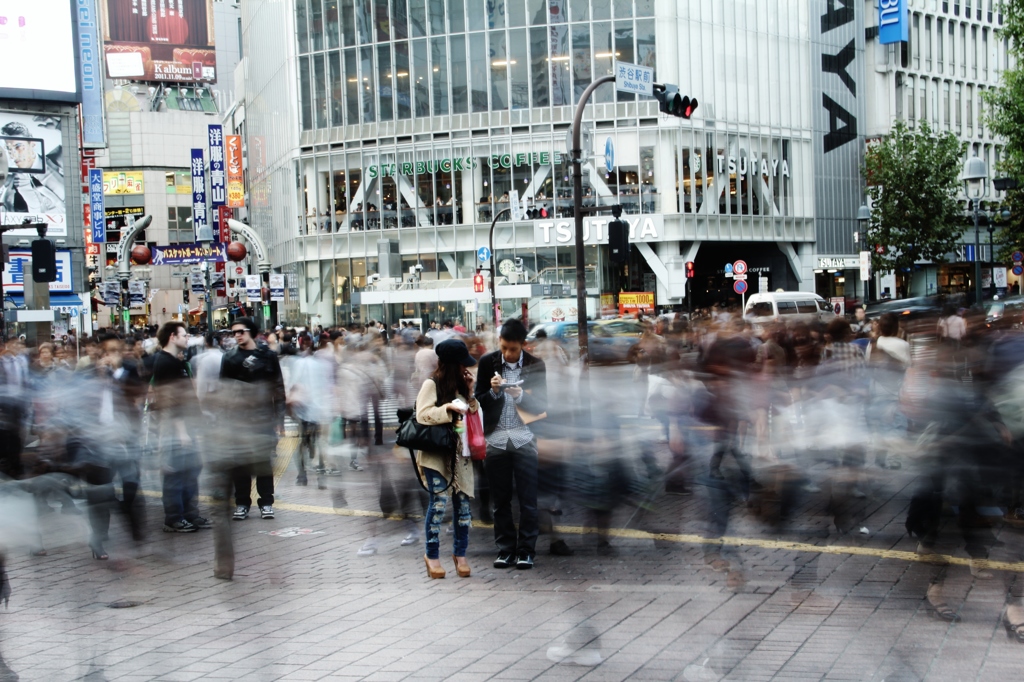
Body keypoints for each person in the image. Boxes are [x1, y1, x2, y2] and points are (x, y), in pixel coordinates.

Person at [475, 318, 548, 570]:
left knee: (528, 500)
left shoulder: (536, 365)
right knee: (501, 500)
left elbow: (542, 405)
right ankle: (505, 549)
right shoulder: (488, 362)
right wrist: (494, 392)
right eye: (504, 347)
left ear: (523, 345)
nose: (507, 354)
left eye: (513, 349)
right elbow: (479, 399)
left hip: (525, 438)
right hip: (495, 439)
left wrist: (521, 398)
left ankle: (526, 550)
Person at [415, 339, 479, 579]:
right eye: (463, 364)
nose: (467, 368)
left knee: (463, 507)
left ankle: (460, 555)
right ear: (452, 364)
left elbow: (473, 413)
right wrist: (447, 410)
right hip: (436, 455)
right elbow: (422, 415)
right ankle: (432, 556)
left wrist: (470, 393)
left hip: (460, 454)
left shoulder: (462, 384)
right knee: (439, 505)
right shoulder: (431, 384)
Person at [220, 317, 285, 520]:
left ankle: (266, 502)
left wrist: (279, 419)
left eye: (241, 331)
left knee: (263, 463)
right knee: (241, 463)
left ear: (252, 332)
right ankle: (242, 503)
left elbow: (278, 387)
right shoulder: (229, 358)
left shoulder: (268, 356)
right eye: (234, 332)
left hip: (263, 418)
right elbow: (223, 390)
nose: (237, 335)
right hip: (238, 419)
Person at [151, 322, 207, 533]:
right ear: (172, 337)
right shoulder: (166, 363)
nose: (187, 338)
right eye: (184, 335)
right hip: (175, 428)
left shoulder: (178, 362)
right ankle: (174, 517)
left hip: (187, 425)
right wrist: (182, 432)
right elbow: (170, 401)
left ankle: (190, 513)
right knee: (175, 473)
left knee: (191, 470)